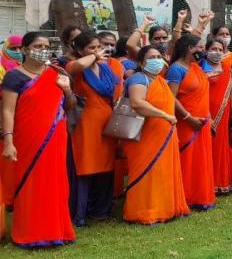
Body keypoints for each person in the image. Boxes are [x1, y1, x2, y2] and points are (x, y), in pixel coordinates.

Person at [1, 32, 76, 248]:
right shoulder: (14, 77)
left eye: (46, 45)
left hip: (56, 138)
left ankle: (57, 230)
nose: (43, 49)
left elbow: (69, 106)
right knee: (30, 184)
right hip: (27, 139)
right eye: (37, 45)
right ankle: (30, 233)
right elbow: (7, 111)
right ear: (24, 50)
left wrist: (67, 89)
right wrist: (8, 141)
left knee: (55, 183)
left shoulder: (56, 73)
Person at [120, 45, 190, 224]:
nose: (157, 60)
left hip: (164, 133)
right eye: (152, 57)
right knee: (146, 172)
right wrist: (164, 115)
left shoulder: (160, 81)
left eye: (159, 56)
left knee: (162, 173)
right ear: (142, 62)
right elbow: (137, 103)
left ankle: (164, 209)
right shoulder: (138, 79)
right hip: (145, 134)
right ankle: (143, 212)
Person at [66, 31, 124, 226]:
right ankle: (79, 213)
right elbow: (78, 66)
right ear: (80, 49)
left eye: (99, 47)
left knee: (106, 166)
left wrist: (97, 57)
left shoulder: (105, 67)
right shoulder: (74, 65)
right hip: (85, 122)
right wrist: (93, 56)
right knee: (86, 166)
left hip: (106, 119)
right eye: (92, 47)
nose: (98, 51)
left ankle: (101, 210)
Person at [166, 34, 216, 210]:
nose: (202, 51)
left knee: (200, 161)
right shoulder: (176, 69)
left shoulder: (196, 67)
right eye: (200, 47)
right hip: (186, 122)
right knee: (187, 160)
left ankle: (199, 196)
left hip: (202, 122)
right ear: (189, 48)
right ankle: (185, 197)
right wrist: (188, 117)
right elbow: (170, 98)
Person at [205, 38, 232, 194]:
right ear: (206, 50)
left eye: (220, 49)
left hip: (223, 112)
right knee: (207, 147)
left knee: (221, 146)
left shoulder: (227, 68)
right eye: (213, 48)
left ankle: (220, 182)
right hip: (205, 112)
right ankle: (206, 183)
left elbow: (231, 91)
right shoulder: (200, 67)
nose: (217, 52)